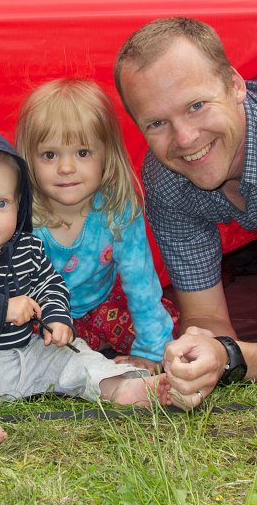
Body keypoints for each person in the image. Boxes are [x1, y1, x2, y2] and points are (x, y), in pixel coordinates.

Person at [0, 129, 170, 453]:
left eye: (1, 203)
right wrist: (3, 309)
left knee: (77, 355)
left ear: (18, 203)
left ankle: (121, 388)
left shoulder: (27, 247)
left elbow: (50, 284)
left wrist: (57, 318)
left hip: (29, 356)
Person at [113, 17, 257, 411]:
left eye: (196, 106)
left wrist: (233, 358)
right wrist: (199, 359)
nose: (185, 139)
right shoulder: (166, 175)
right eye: (157, 123)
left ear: (235, 85)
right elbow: (205, 317)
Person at [15, 78, 177, 375]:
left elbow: (140, 283)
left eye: (82, 153)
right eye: (50, 155)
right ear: (29, 159)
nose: (66, 168)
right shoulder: (22, 217)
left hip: (104, 306)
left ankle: (95, 353)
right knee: (22, 348)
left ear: (106, 155)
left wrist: (151, 352)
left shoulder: (117, 209)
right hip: (45, 317)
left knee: (165, 326)